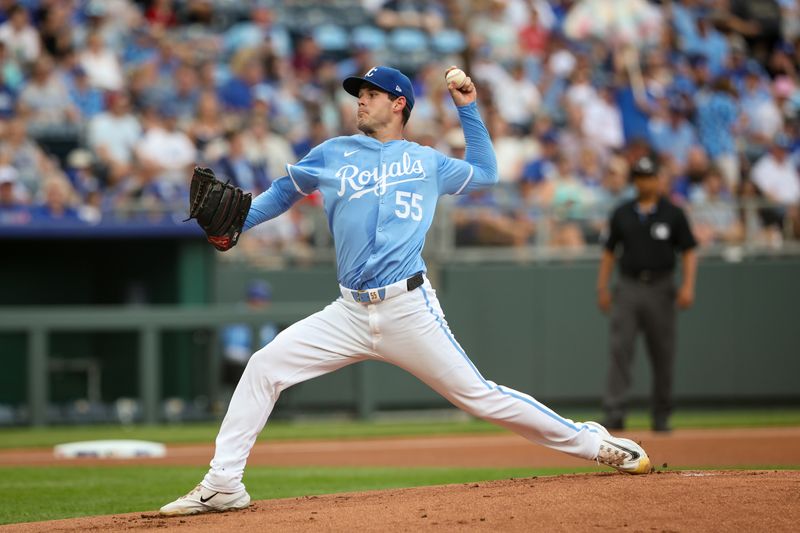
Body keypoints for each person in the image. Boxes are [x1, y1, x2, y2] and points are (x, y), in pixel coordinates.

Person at [160, 65, 651, 516]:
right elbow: (283, 193)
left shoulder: (426, 161)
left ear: (399, 104)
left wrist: (467, 107)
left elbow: (486, 172)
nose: (360, 101)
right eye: (359, 94)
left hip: (408, 308)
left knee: (479, 396)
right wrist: (242, 218)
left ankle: (592, 443)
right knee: (264, 366)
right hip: (348, 313)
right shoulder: (332, 153)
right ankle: (224, 482)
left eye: (371, 94)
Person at [596, 155, 698, 433]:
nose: (645, 182)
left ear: (658, 179)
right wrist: (602, 287)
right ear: (635, 181)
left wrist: (688, 285)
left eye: (649, 176)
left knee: (662, 353)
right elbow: (609, 252)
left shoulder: (673, 213)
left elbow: (688, 250)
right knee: (620, 350)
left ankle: (661, 415)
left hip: (661, 286)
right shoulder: (622, 212)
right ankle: (615, 412)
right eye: (640, 177)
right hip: (628, 286)